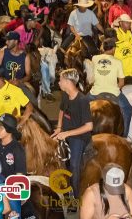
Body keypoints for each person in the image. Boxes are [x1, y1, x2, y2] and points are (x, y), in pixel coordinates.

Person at [53, 68, 93, 198]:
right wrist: (59, 127)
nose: (58, 83)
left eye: (61, 80)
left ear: (68, 82)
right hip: (65, 132)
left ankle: (75, 197)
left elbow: (88, 126)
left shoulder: (82, 100)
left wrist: (67, 133)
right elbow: (61, 111)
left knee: (74, 166)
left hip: (79, 137)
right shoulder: (65, 95)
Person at [89, 38, 132, 136]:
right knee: (127, 108)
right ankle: (125, 136)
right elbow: (121, 83)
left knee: (81, 107)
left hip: (95, 93)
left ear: (103, 48)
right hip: (113, 92)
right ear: (113, 49)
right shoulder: (118, 62)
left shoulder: (94, 58)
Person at [0, 114, 28, 217]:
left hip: (11, 189)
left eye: (1, 127)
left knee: (14, 212)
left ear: (9, 130)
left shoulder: (17, 149)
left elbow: (19, 176)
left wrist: (6, 192)